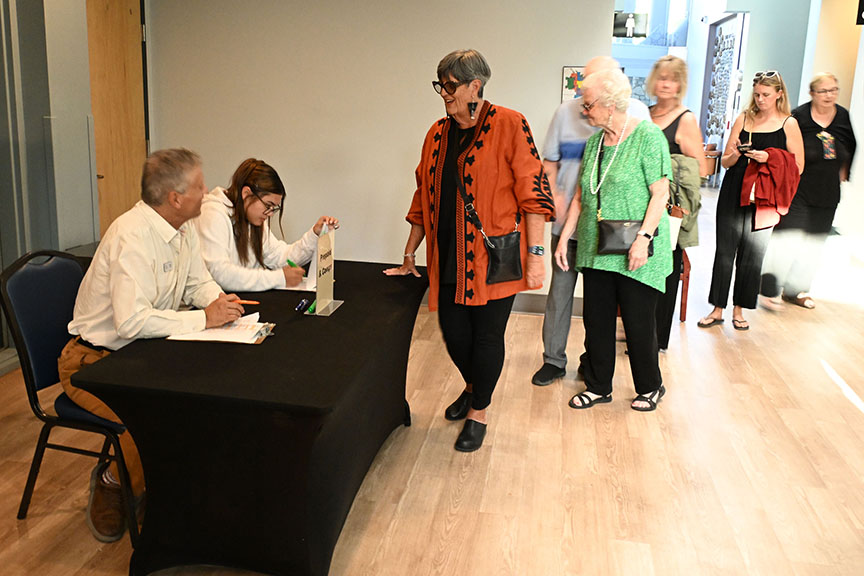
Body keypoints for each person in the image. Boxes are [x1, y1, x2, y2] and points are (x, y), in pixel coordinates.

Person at [59, 148, 245, 542]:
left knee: (202, 397)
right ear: (175, 198)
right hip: (91, 363)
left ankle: (161, 485)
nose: (206, 191)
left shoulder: (183, 229)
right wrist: (204, 318)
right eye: (198, 186)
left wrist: (219, 302)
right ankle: (112, 482)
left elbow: (197, 283)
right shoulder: (132, 235)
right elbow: (131, 322)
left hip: (141, 355)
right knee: (150, 416)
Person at [385, 49, 554, 451]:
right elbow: (422, 197)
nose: (444, 93)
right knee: (454, 334)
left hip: (493, 259)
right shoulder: (437, 133)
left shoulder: (511, 124)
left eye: (451, 85)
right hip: (447, 257)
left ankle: (479, 411)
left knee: (487, 337)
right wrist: (409, 255)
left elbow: (533, 194)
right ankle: (474, 386)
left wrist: (536, 256)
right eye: (440, 85)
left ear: (475, 86)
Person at [554, 68, 672, 412]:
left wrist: (643, 239)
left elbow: (660, 193)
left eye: (588, 104)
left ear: (610, 104)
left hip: (635, 246)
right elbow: (581, 196)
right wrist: (564, 238)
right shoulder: (594, 143)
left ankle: (650, 386)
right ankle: (598, 386)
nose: (583, 111)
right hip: (596, 246)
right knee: (597, 321)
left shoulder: (648, 136)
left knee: (637, 322)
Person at [531, 55, 650, 387]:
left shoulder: (638, 114)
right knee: (560, 293)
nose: (584, 97)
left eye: (590, 90)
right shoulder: (564, 113)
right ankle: (553, 360)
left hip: (609, 229)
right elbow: (549, 163)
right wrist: (553, 199)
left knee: (601, 301)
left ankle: (592, 361)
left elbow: (649, 177)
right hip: (568, 223)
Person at [699, 70, 804, 331]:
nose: (760, 99)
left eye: (766, 94)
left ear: (779, 94)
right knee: (724, 251)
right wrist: (736, 155)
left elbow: (798, 166)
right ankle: (717, 308)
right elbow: (725, 162)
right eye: (757, 94)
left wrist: (770, 158)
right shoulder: (744, 118)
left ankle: (739, 310)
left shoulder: (788, 123)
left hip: (765, 196)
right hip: (735, 188)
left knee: (753, 254)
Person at [759, 73, 856, 309]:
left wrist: (845, 172)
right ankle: (768, 289)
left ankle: (796, 290)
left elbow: (851, 144)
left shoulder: (842, 116)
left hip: (828, 191)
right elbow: (783, 149)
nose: (829, 95)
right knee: (787, 239)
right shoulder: (799, 118)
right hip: (798, 190)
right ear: (812, 93)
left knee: (814, 243)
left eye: (833, 90)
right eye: (823, 91)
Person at [195, 158, 339, 291]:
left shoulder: (252, 217)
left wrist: (315, 234)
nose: (270, 214)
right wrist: (279, 278)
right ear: (246, 193)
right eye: (268, 205)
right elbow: (221, 274)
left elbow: (280, 257)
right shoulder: (212, 214)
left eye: (274, 208)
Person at [646, 55, 703, 350]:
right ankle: (639, 333)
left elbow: (699, 168)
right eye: (662, 77)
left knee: (666, 271)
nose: (666, 84)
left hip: (670, 210)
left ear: (681, 84)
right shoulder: (643, 114)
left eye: (672, 79)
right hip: (640, 207)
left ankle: (656, 339)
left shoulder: (686, 119)